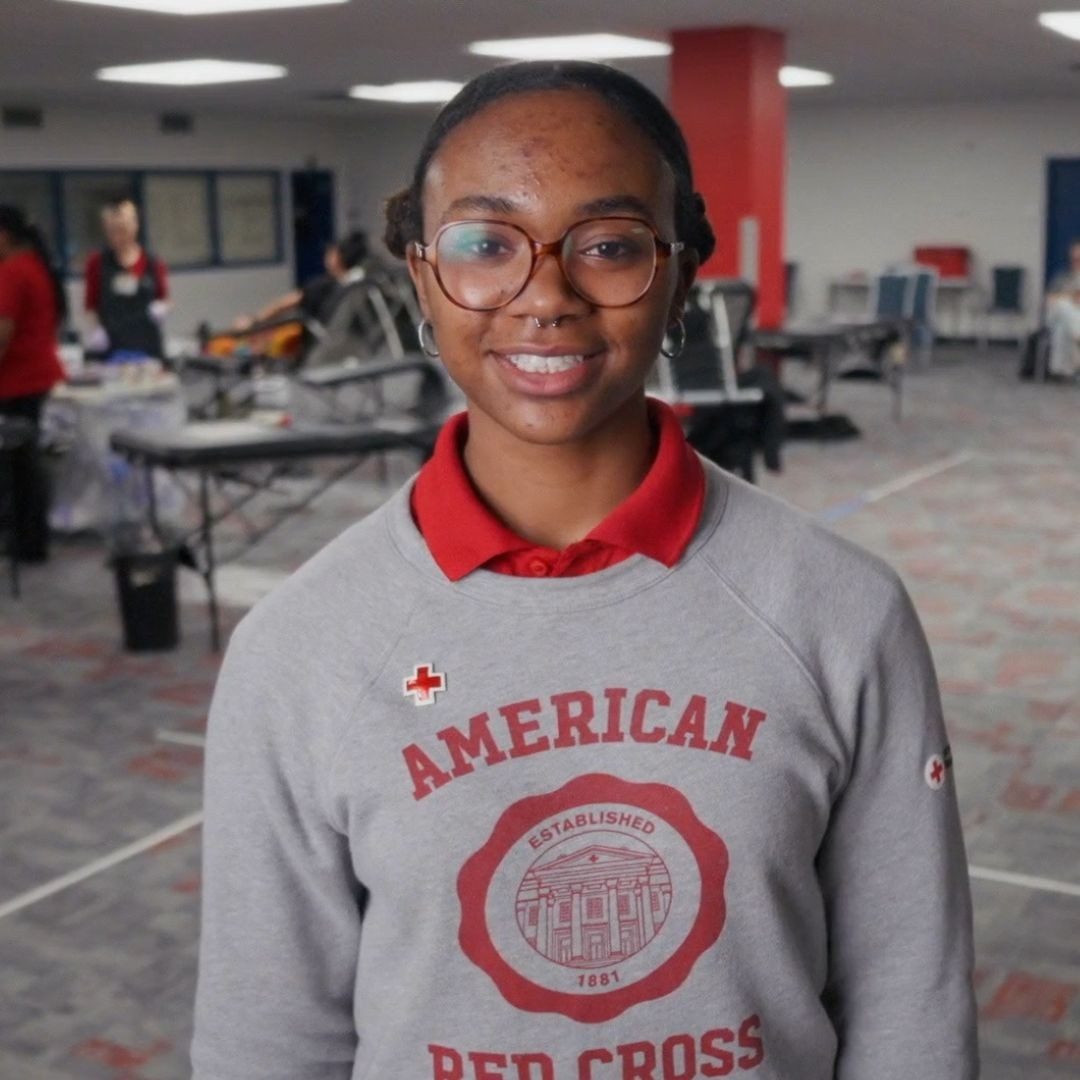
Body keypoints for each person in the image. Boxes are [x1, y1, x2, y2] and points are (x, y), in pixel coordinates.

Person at [191, 62, 977, 1080]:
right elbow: (268, 1039)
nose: (545, 297)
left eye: (608, 246)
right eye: (485, 246)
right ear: (424, 277)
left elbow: (910, 1007)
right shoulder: (300, 650)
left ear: (682, 270)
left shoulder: (839, 612)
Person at [0, 205, 67, 562]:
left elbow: (2, 332)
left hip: (15, 383)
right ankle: (32, 541)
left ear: (4, 235)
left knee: (17, 469)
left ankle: (25, 543)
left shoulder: (12, 271)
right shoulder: (38, 266)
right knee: (27, 464)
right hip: (38, 377)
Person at [83, 197, 169, 358]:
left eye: (123, 230)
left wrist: (162, 308)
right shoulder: (97, 263)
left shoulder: (153, 262)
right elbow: (90, 305)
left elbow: (165, 298)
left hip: (147, 345)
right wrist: (96, 329)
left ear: (135, 226)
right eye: (112, 231)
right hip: (112, 346)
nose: (118, 237)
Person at [1045, 238, 1080, 379]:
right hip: (1055, 315)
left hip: (1072, 319)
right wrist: (1070, 298)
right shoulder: (1062, 277)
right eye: (1074, 258)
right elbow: (1049, 299)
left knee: (1062, 329)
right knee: (1062, 305)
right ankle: (1078, 334)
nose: (1076, 261)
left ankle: (1062, 370)